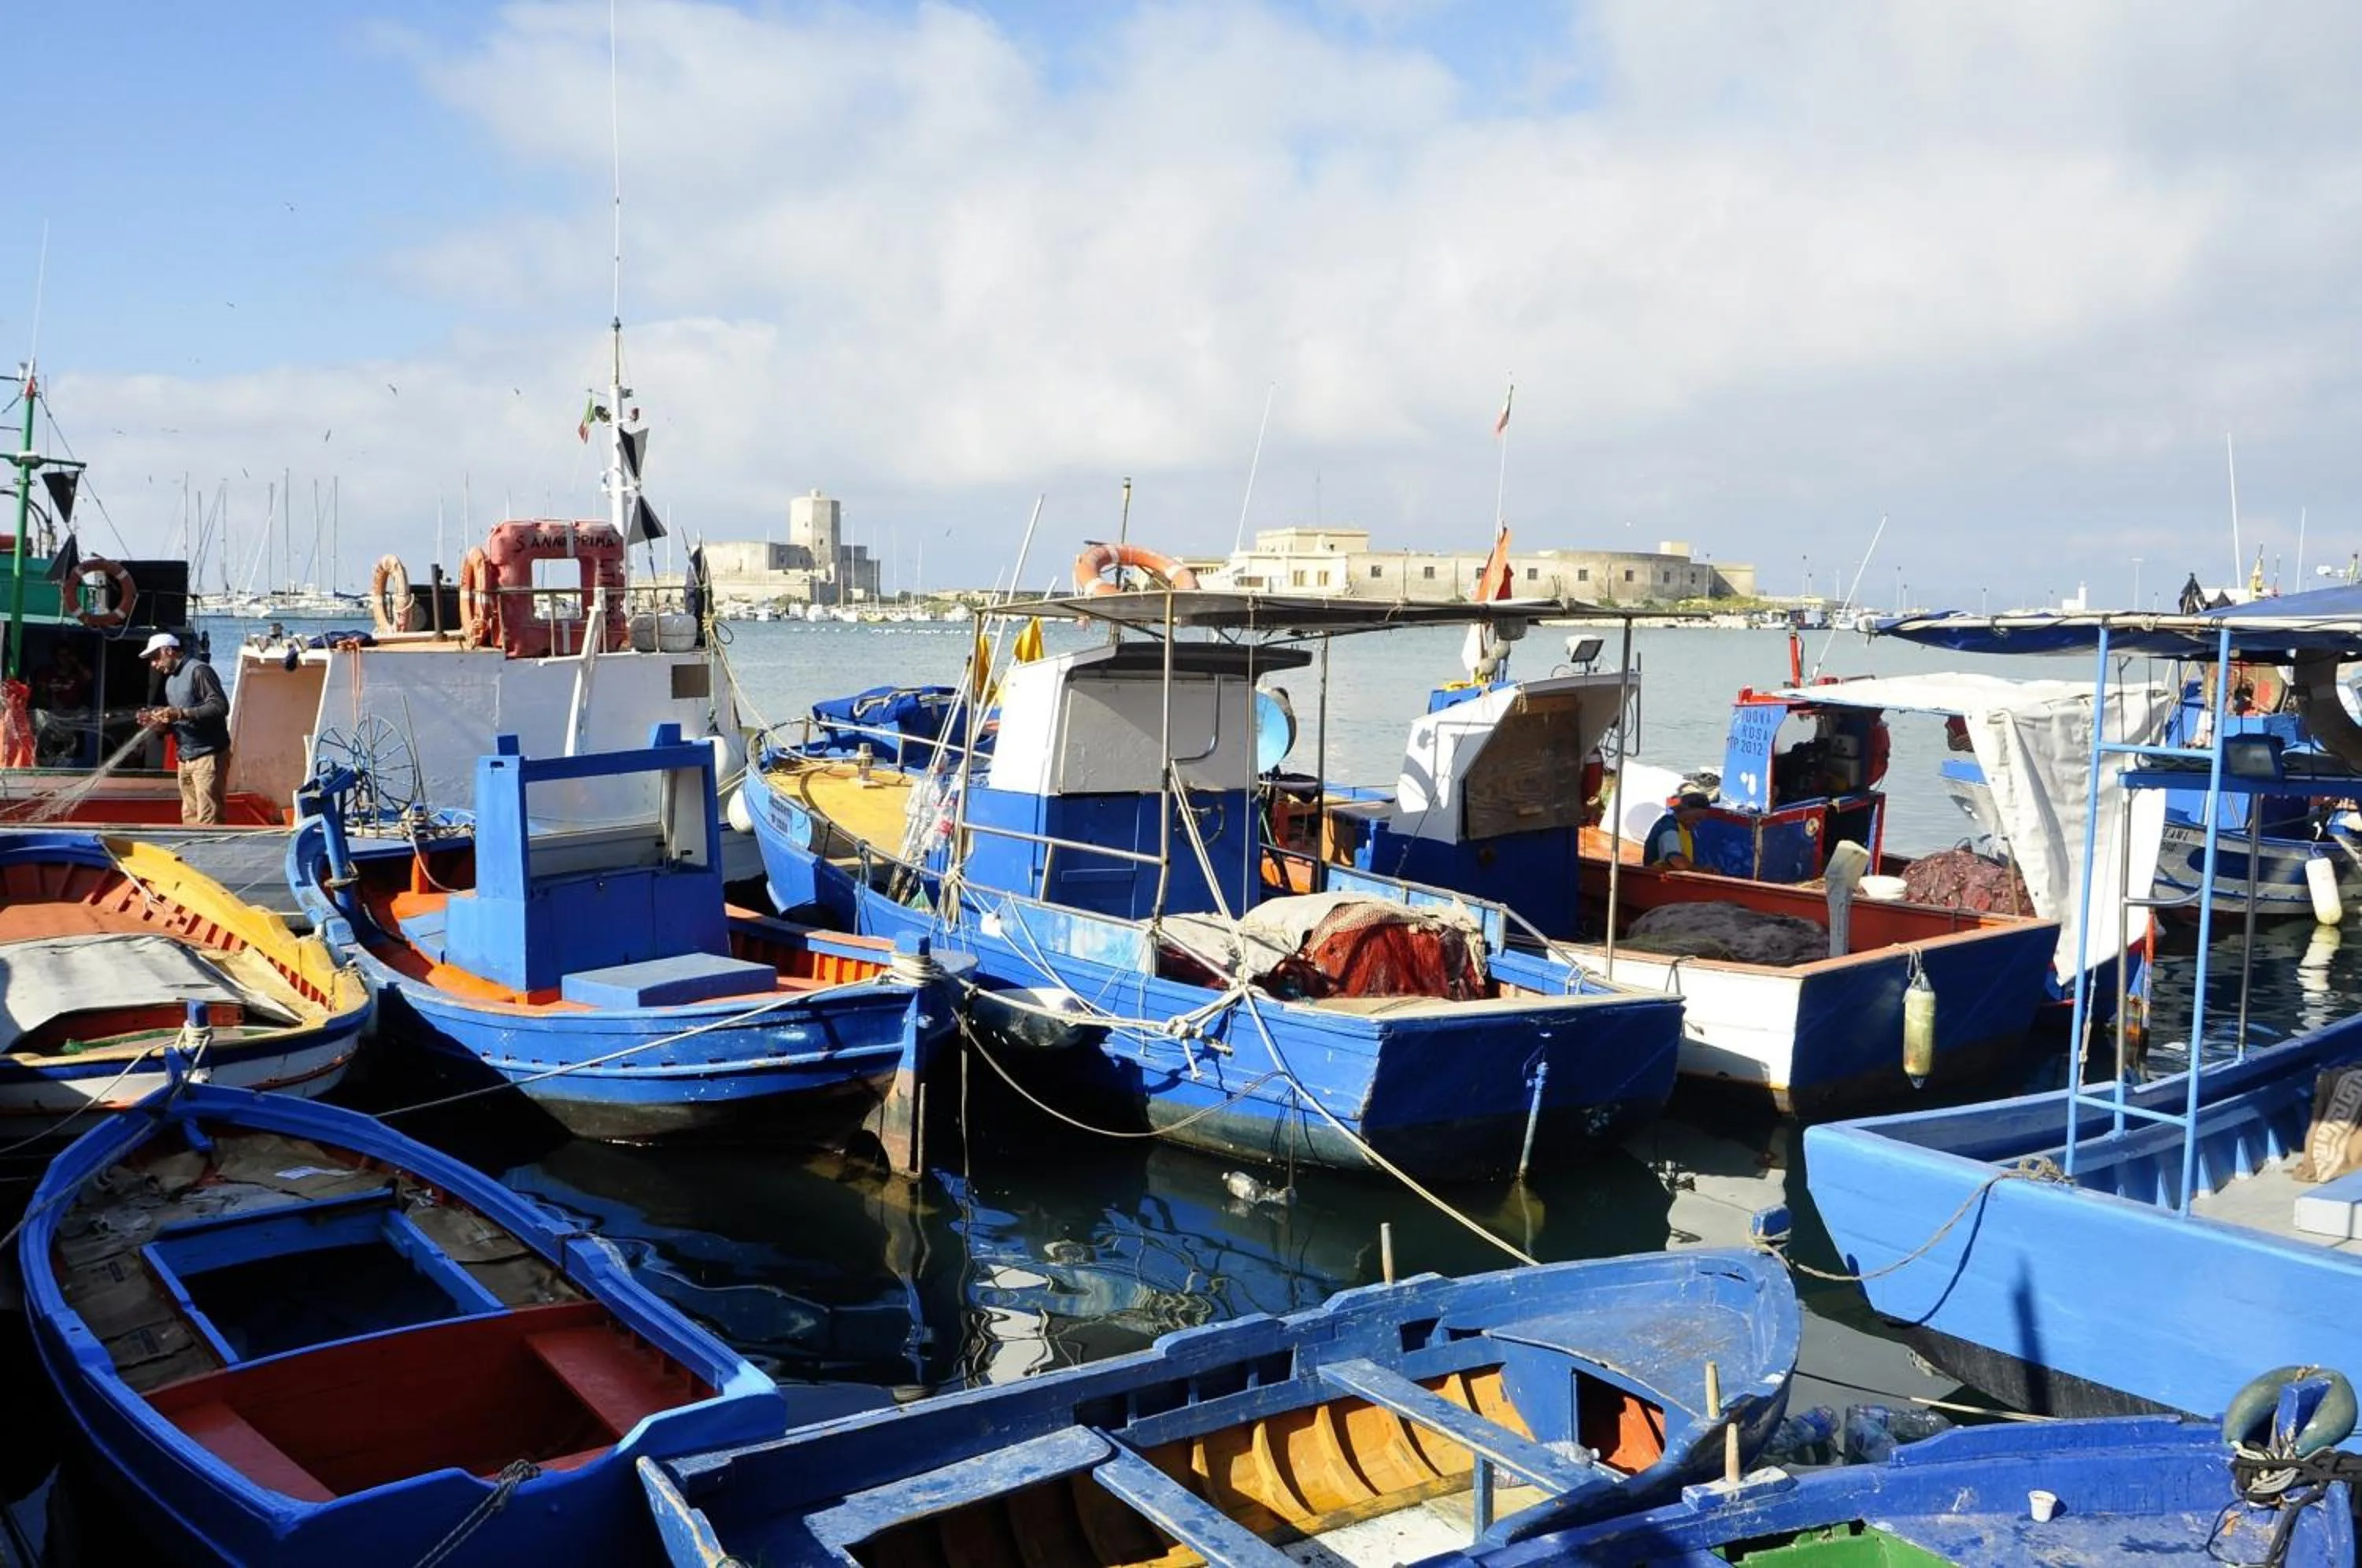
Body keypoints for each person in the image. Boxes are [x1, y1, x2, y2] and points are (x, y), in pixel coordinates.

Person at [135, 633, 231, 825]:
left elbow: (220, 706)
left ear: (168, 651)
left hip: (208, 755)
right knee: (190, 818)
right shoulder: (170, 682)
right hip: (186, 758)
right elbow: (178, 722)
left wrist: (180, 713)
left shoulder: (199, 671)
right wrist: (158, 724)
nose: (154, 664)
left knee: (209, 818)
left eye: (155, 657)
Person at [1644, 790, 1712, 871]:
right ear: (1685, 810)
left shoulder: (1687, 830)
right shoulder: (1668, 826)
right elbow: (1678, 863)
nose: (1697, 823)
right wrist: (1702, 870)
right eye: (1697, 818)